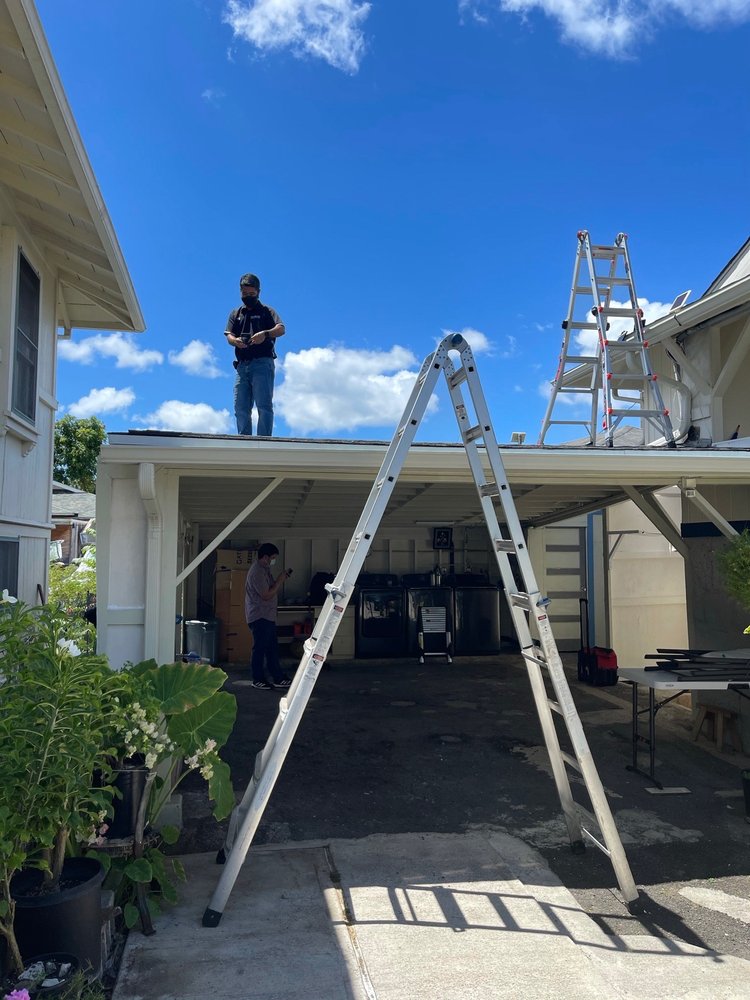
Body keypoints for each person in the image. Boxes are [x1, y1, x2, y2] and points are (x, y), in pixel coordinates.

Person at [225, 273, 285, 436]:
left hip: (262, 363)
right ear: (240, 292)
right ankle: (244, 440)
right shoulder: (236, 313)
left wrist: (265, 334)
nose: (248, 297)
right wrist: (235, 341)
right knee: (240, 406)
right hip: (242, 365)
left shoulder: (267, 311)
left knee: (264, 405)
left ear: (258, 292)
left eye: (251, 293)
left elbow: (281, 329)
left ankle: (264, 440)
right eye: (245, 294)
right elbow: (229, 335)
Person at [245, 542, 292, 690]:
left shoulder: (265, 570)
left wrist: (279, 579)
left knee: (272, 648)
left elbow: (270, 588)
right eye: (273, 558)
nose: (273, 561)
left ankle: (278, 677)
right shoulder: (257, 572)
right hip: (260, 616)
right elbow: (266, 595)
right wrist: (280, 580)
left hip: (267, 616)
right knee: (259, 649)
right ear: (265, 557)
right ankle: (257, 679)